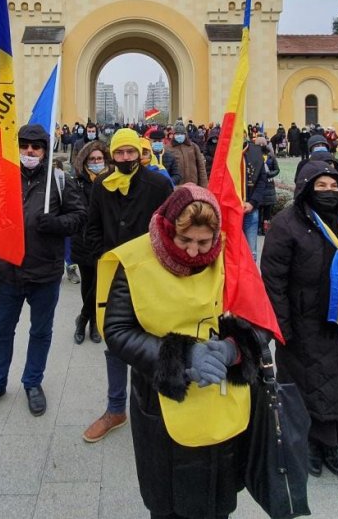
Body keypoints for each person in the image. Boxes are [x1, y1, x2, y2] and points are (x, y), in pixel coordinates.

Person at [101, 185, 264, 519]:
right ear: (167, 229)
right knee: (168, 503)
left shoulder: (231, 256)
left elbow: (262, 319)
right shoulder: (134, 261)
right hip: (160, 403)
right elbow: (117, 330)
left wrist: (235, 349)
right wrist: (183, 356)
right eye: (185, 241)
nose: (193, 253)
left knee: (217, 500)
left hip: (222, 400)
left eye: (204, 243)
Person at [261, 160, 338, 478]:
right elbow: (273, 279)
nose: (327, 191)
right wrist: (281, 325)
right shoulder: (287, 223)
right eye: (320, 186)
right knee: (304, 385)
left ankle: (331, 443)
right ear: (307, 188)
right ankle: (308, 442)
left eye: (333, 186)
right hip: (302, 323)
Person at [0, 124, 86, 418]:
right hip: (7, 273)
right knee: (0, 332)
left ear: (45, 150)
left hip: (44, 274)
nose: (30, 151)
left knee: (41, 332)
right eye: (24, 146)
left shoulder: (59, 180)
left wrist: (56, 224)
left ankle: (33, 382)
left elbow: (79, 216)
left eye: (36, 146)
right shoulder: (3, 180)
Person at [82, 128, 173, 443]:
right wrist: (103, 259)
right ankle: (116, 408)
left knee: (154, 340)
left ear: (139, 153)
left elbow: (169, 227)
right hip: (114, 278)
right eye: (119, 153)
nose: (125, 158)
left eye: (130, 152)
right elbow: (92, 226)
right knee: (115, 341)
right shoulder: (102, 187)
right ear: (112, 156)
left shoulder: (159, 184)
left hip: (150, 276)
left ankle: (157, 410)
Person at [71, 140, 112, 344]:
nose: (96, 162)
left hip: (106, 241)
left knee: (99, 284)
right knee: (88, 283)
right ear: (85, 161)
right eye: (92, 159)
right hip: (84, 240)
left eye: (99, 158)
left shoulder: (113, 179)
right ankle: (88, 321)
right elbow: (78, 209)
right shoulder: (77, 181)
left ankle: (87, 320)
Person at [242, 135, 269, 260]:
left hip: (250, 209)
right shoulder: (224, 151)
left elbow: (262, 181)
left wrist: (252, 203)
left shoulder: (255, 152)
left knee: (251, 253)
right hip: (229, 210)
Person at [168, 121, 208, 187]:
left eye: (181, 134)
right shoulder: (168, 148)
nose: (179, 136)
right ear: (173, 135)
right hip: (176, 186)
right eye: (177, 134)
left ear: (185, 134)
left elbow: (201, 167)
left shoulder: (193, 147)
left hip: (193, 184)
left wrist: (203, 185)